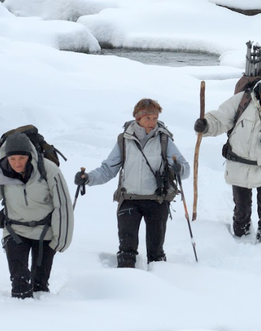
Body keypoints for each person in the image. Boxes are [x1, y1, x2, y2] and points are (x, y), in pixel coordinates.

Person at [75, 98, 191, 267]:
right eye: (148, 118)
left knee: (156, 252)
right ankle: (125, 280)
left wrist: (179, 168)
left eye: (155, 118)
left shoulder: (164, 139)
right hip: (129, 199)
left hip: (157, 200)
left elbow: (185, 169)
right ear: (138, 118)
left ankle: (160, 281)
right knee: (126, 251)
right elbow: (108, 169)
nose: (152, 122)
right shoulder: (124, 140)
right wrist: (88, 178)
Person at [0, 132, 74, 298]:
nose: (17, 163)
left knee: (39, 287)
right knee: (20, 286)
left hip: (44, 232)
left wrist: (60, 241)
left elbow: (62, 206)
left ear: (30, 155)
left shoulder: (48, 170)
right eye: (12, 159)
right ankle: (18, 313)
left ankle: (44, 312)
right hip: (15, 231)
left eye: (22, 158)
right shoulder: (1, 170)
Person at [194, 74, 261, 240]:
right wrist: (205, 125)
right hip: (239, 166)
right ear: (259, 93)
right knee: (241, 212)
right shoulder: (242, 100)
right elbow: (220, 119)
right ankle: (239, 238)